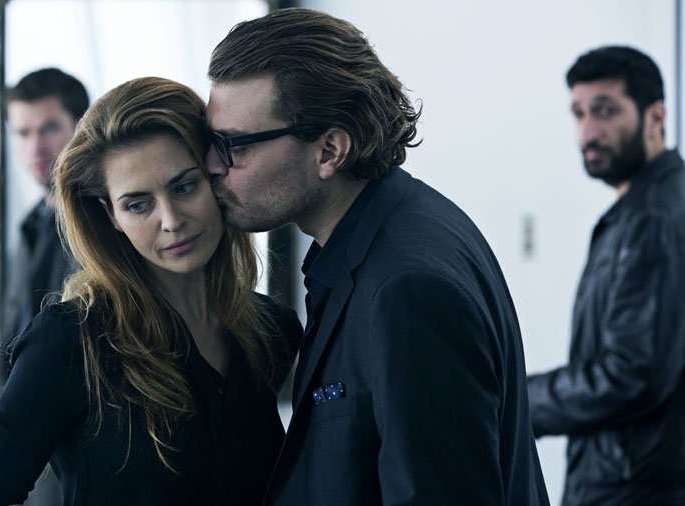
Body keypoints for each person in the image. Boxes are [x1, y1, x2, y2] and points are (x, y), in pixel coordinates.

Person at [204, 8, 549, 505]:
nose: (212, 165)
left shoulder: (406, 285)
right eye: (211, 141)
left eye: (233, 144)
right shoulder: (390, 230)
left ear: (330, 151)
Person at [0, 76, 303, 506]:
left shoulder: (271, 331)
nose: (171, 220)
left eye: (184, 186)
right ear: (111, 216)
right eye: (138, 204)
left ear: (215, 177)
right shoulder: (71, 341)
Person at [527, 46, 685, 506]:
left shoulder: (652, 219)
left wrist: (521, 400)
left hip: (633, 488)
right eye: (579, 113)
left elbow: (632, 374)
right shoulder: (643, 209)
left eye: (606, 111)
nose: (588, 132)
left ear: (655, 117)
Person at [0, 67, 90, 505]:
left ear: (81, 127)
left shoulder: (102, 223)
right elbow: (8, 355)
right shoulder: (31, 227)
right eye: (23, 132)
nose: (35, 147)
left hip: (71, 451)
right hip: (24, 447)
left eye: (49, 128)